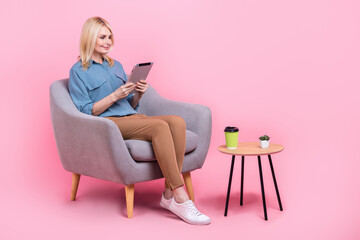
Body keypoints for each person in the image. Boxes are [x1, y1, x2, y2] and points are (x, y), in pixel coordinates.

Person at [68, 16, 211, 225]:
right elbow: (85, 112)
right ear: (90, 38)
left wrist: (139, 93)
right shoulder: (78, 71)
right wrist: (114, 96)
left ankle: (168, 195)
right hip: (108, 124)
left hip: (131, 117)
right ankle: (181, 196)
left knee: (178, 122)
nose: (108, 41)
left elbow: (130, 104)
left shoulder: (116, 66)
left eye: (110, 37)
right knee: (160, 127)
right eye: (102, 37)